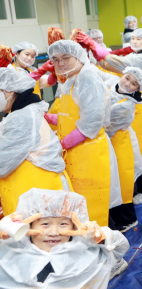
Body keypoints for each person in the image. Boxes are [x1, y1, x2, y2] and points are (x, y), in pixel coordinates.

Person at [0, 189, 130, 289]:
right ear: (29, 225)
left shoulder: (90, 255)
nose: (54, 232)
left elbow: (121, 247)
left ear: (74, 226)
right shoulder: (10, 254)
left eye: (63, 224)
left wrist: (101, 236)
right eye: (45, 224)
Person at [45, 40, 120, 227]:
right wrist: (48, 117)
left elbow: (91, 122)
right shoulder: (73, 77)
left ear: (78, 56)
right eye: (55, 60)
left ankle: (98, 249)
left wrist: (62, 145)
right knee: (79, 207)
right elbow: (72, 114)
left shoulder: (88, 77)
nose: (60, 63)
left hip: (89, 150)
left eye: (65, 58)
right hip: (77, 150)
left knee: (92, 208)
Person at [0, 69, 70, 215]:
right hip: (35, 187)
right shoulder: (20, 113)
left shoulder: (22, 117)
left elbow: (3, 163)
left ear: (9, 91)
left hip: (38, 187)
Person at [106, 68, 142, 232]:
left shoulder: (126, 106)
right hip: (112, 141)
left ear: (137, 89)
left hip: (118, 143)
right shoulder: (111, 86)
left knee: (121, 182)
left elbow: (104, 123)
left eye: (133, 84)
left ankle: (126, 220)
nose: (127, 84)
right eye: (127, 78)